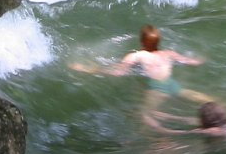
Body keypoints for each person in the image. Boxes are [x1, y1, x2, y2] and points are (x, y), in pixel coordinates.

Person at [70, 24, 215, 108]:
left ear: (141, 41)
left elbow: (118, 72)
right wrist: (202, 58)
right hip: (172, 84)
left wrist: (90, 69)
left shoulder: (137, 55)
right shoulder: (168, 53)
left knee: (146, 118)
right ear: (159, 41)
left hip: (157, 89)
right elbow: (191, 61)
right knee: (201, 98)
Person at [146, 101, 226, 138]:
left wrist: (155, 126)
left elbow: (176, 133)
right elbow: (188, 120)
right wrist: (167, 116)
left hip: (221, 140)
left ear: (203, 120)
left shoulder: (210, 131)